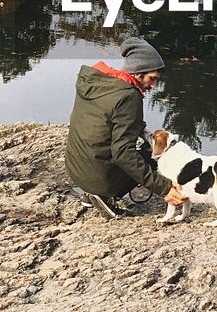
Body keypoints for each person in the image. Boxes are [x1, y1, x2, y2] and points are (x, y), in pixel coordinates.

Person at [65, 36, 187, 218]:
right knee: (151, 158)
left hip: (76, 168)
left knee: (143, 147)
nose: (153, 86)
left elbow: (114, 120)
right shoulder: (129, 96)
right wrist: (164, 187)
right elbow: (122, 154)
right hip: (98, 177)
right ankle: (105, 195)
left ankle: (89, 193)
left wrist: (144, 132)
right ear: (138, 73)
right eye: (152, 79)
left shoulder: (98, 82)